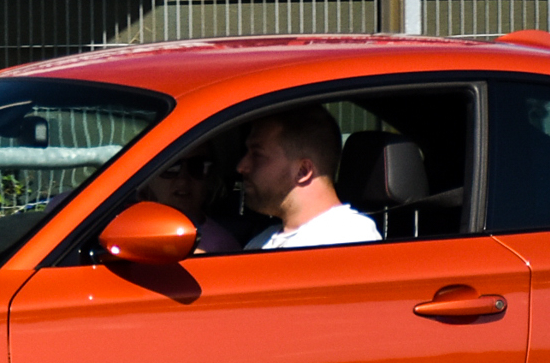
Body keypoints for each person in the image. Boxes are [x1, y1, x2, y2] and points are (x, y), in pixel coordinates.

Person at [237, 106, 379, 249]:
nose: (241, 167)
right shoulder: (261, 241)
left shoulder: (349, 237)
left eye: (257, 155)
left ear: (303, 171)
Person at [137, 145, 243, 253]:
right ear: (148, 176)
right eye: (170, 166)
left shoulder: (222, 246)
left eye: (197, 167)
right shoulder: (128, 234)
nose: (183, 180)